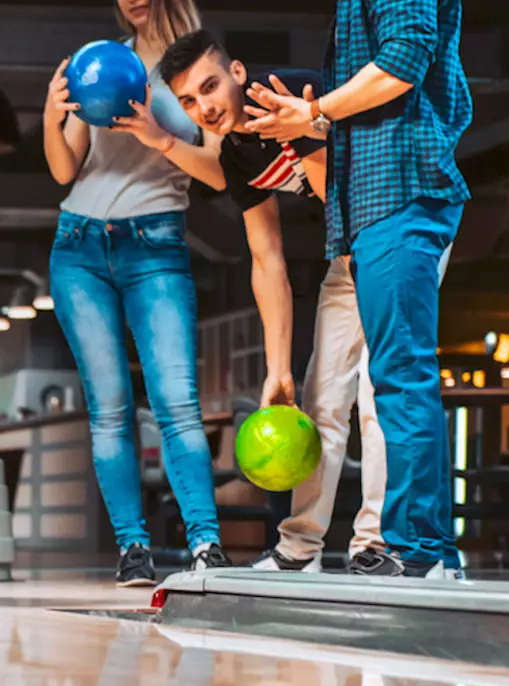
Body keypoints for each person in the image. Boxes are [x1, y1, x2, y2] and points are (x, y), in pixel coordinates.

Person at [158, 31, 460, 579]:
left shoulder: (293, 92)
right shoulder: (237, 150)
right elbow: (267, 259)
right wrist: (277, 371)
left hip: (400, 232)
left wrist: (302, 133)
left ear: (238, 72)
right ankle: (301, 548)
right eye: (189, 102)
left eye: (210, 87)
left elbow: (338, 195)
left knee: (377, 397)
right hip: (348, 254)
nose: (205, 107)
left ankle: (377, 543)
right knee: (321, 397)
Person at [242, 0, 471, 578]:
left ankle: (419, 551)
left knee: (399, 376)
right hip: (375, 208)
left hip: (403, 191)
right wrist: (317, 120)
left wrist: (314, 111)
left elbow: (403, 60)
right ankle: (424, 549)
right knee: (394, 378)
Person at [44, 0, 232, 588]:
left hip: (156, 245)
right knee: (110, 409)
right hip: (78, 247)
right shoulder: (102, 63)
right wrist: (52, 117)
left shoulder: (198, 68)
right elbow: (63, 170)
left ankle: (205, 543)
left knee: (177, 402)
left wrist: (158, 135)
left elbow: (217, 173)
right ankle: (133, 549)